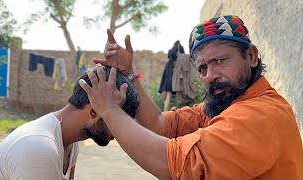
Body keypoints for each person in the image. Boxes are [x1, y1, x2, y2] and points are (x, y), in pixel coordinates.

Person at [80, 15, 303, 179]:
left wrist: (109, 110)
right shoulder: (224, 104)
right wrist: (129, 74)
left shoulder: (260, 114)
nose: (211, 76)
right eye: (203, 68)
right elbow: (159, 125)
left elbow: (171, 164)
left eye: (220, 61)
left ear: (251, 56)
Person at [0, 66, 139, 180]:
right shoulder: (38, 147)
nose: (120, 131)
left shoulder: (70, 142)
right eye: (117, 118)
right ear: (93, 111)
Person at [159, 40, 185, 111]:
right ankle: (166, 112)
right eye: (177, 51)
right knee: (169, 95)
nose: (178, 52)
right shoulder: (172, 61)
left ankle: (176, 112)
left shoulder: (173, 60)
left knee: (175, 95)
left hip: (172, 80)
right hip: (171, 80)